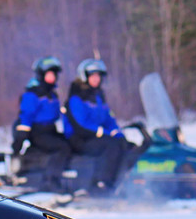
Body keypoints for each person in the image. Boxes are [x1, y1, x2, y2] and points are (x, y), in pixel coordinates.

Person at [63, 58, 138, 194]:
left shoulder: (98, 96)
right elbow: (81, 125)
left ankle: (123, 183)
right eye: (93, 76)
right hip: (80, 139)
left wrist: (117, 133)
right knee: (111, 145)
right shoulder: (76, 98)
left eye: (98, 76)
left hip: (96, 136)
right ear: (84, 76)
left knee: (125, 144)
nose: (96, 79)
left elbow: (108, 118)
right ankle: (102, 183)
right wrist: (104, 133)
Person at [12, 56, 71, 192]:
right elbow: (26, 115)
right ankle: (51, 180)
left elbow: (57, 114)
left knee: (69, 143)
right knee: (62, 148)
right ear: (41, 75)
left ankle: (63, 176)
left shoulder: (52, 94)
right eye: (49, 74)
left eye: (54, 75)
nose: (52, 77)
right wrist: (20, 137)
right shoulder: (33, 94)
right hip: (37, 132)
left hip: (51, 130)